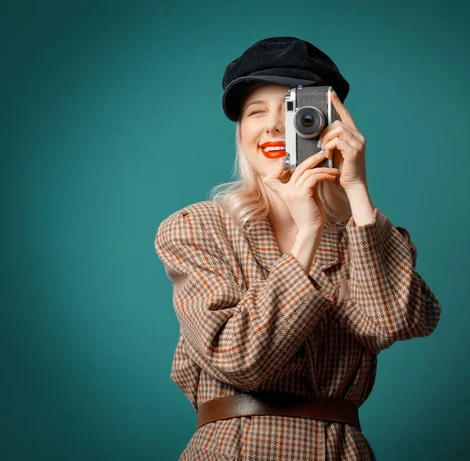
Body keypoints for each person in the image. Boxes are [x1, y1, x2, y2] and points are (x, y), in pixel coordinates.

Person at [154, 36, 442, 461]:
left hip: (339, 450)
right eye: (256, 112)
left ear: (330, 124)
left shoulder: (359, 233)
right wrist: (306, 235)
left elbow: (392, 321)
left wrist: (356, 189)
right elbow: (239, 358)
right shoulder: (199, 227)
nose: (271, 126)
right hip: (234, 449)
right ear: (241, 132)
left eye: (294, 112)